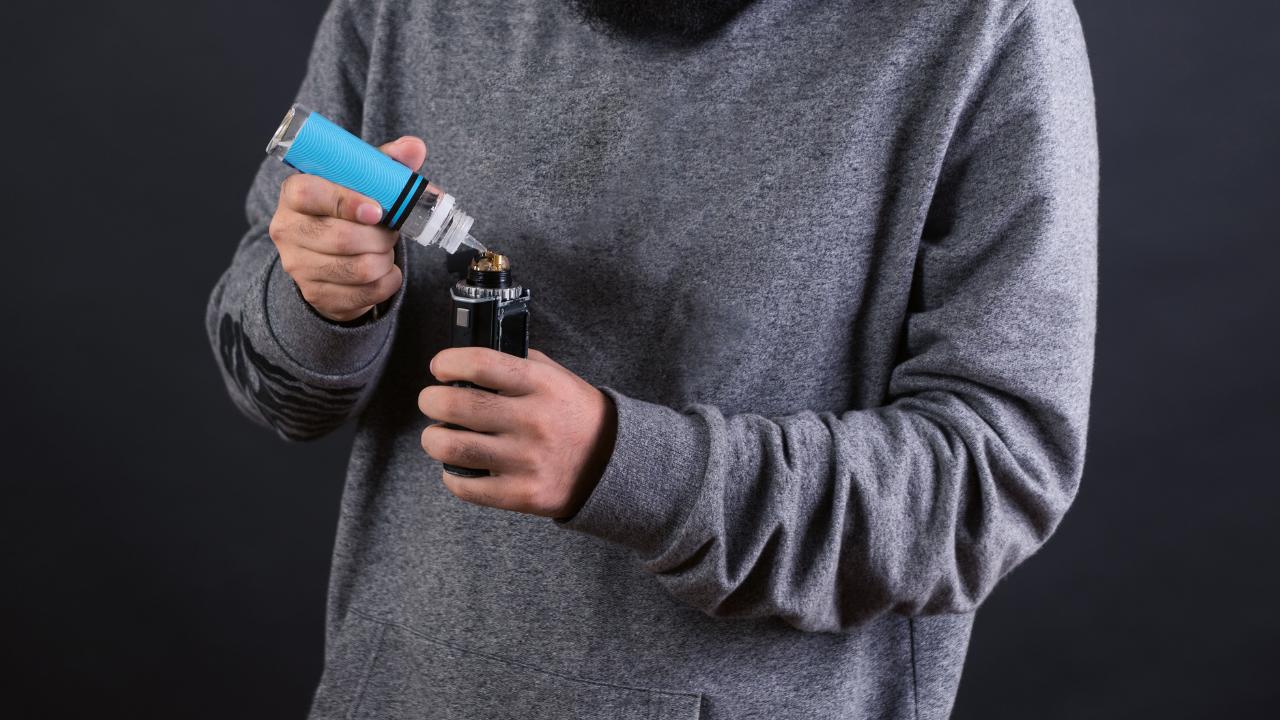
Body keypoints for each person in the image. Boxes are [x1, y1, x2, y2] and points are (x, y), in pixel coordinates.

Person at [207, 0, 1097, 717]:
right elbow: (273, 386)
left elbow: (997, 479)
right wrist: (326, 298)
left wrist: (625, 466)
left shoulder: (981, 24)